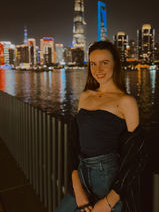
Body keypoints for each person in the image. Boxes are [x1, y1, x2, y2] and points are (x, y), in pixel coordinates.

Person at [55, 40, 147, 212]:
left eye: (104, 63)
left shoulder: (126, 101)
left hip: (107, 178)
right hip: (81, 173)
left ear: (115, 64)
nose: (98, 70)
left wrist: (110, 200)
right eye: (93, 64)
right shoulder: (85, 96)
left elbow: (137, 156)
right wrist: (77, 186)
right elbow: (74, 143)